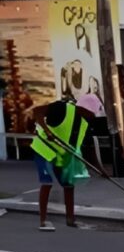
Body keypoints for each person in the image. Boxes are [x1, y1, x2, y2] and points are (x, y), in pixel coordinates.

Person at [30, 99, 106, 231]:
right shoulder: (62, 108)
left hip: (61, 155)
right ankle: (43, 220)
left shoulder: (85, 124)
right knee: (47, 182)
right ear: (84, 109)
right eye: (92, 113)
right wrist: (47, 131)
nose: (93, 117)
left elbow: (89, 150)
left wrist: (100, 169)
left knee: (69, 184)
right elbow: (37, 111)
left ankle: (70, 219)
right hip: (44, 149)